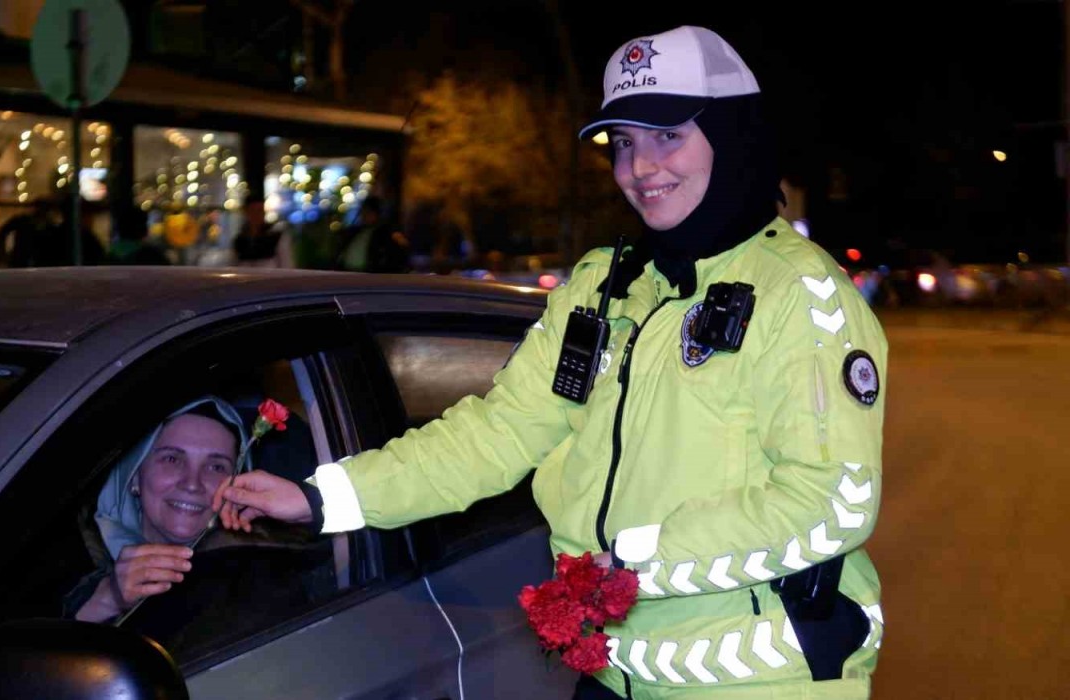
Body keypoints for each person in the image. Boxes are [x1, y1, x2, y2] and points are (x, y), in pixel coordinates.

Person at [213, 25, 887, 699]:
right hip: (614, 675)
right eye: (622, 144)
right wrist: (323, 496)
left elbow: (830, 503)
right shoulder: (604, 287)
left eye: (666, 136)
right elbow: (499, 432)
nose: (639, 168)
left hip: (763, 682)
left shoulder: (799, 295)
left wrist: (630, 565)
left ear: (733, 136)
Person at [64, 396, 249, 623]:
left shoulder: (260, 572)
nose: (192, 483)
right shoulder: (62, 557)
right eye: (172, 459)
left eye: (216, 467)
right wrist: (107, 599)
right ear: (134, 476)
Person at [335, 195, 410, 273]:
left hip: (370, 275)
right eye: (363, 212)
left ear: (377, 214)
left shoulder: (385, 235)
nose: (364, 215)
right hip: (347, 272)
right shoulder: (354, 231)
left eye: (368, 212)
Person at [233, 199, 294, 268]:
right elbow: (235, 262)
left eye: (260, 210)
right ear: (246, 212)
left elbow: (286, 262)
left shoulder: (275, 235)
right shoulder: (240, 239)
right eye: (253, 211)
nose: (256, 215)